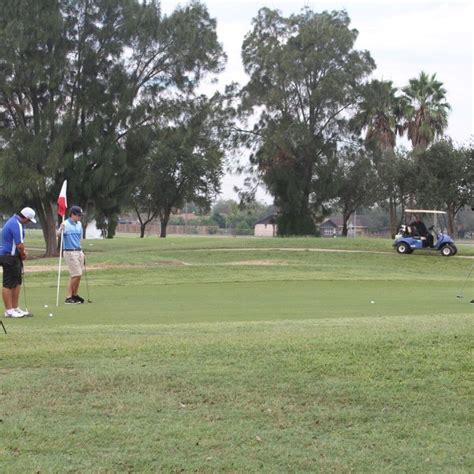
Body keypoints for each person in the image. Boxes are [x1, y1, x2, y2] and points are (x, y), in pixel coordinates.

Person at [0, 207, 37, 318]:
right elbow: (19, 245)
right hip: (8, 256)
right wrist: (23, 254)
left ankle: (15, 308)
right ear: (24, 217)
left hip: (13, 256)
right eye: (29, 220)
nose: (29, 222)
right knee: (8, 283)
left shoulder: (15, 221)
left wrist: (21, 254)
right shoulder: (16, 224)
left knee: (17, 282)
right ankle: (9, 310)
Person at [58, 206, 85, 304]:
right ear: (72, 214)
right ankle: (68, 297)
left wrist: (81, 252)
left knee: (76, 275)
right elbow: (57, 235)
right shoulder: (65, 224)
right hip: (69, 252)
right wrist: (60, 230)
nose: (80, 217)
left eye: (80, 215)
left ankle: (75, 295)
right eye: (78, 215)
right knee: (76, 274)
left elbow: (79, 238)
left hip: (78, 251)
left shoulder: (79, 224)